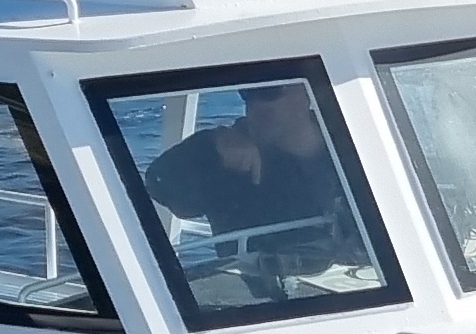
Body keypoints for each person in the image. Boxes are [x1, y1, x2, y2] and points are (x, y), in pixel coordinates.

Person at [142, 82, 352, 260]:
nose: (256, 103)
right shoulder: (224, 159)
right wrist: (212, 146)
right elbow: (158, 182)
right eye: (247, 92)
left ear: (309, 91)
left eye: (270, 89)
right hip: (262, 298)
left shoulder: (353, 141)